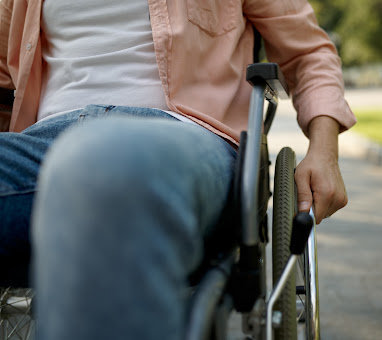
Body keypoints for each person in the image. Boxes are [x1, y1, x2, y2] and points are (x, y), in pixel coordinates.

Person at [0, 0, 356, 339]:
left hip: (184, 136)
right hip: (42, 142)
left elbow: (308, 53)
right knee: (93, 163)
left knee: (104, 162)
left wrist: (324, 150)